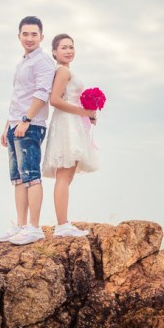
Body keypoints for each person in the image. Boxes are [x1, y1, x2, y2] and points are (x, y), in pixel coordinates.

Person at [0, 16, 56, 245]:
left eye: (34, 34)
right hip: (15, 125)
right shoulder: (23, 62)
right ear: (19, 36)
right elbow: (17, 97)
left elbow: (42, 92)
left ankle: (34, 227)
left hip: (30, 125)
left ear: (42, 37)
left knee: (31, 176)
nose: (29, 38)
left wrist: (26, 120)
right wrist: (7, 126)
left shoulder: (42, 62)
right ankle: (20, 226)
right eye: (25, 34)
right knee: (18, 179)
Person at [41, 34, 98, 237]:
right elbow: (55, 100)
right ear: (54, 52)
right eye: (63, 47)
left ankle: (63, 223)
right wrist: (84, 112)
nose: (69, 51)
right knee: (64, 176)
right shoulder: (63, 70)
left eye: (71, 47)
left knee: (66, 176)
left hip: (70, 122)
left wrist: (88, 114)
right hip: (66, 124)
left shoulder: (64, 70)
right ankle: (62, 225)